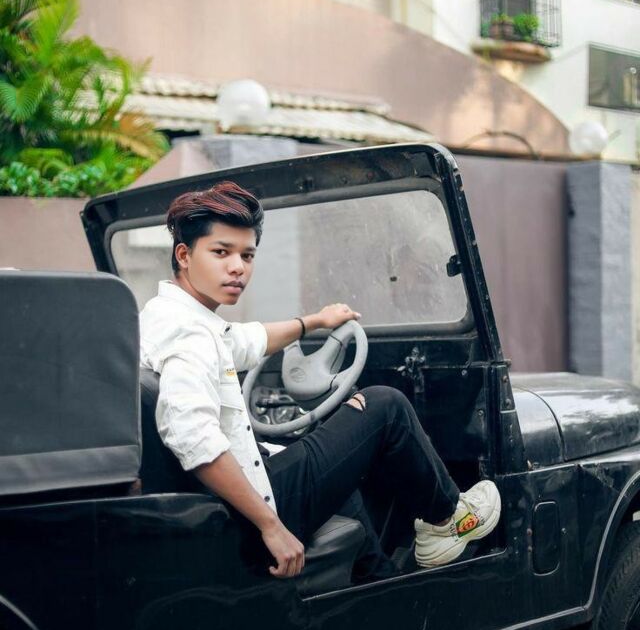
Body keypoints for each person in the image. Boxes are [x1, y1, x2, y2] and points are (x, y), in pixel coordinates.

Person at [139, 181, 501, 582]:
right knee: (385, 406)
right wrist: (271, 527)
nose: (238, 267)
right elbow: (193, 437)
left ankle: (377, 583)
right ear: (184, 255)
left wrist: (314, 321)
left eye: (247, 255)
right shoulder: (189, 334)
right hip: (250, 509)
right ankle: (448, 520)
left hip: (224, 496)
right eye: (221, 252)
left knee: (339, 473)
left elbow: (246, 341)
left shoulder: (167, 314)